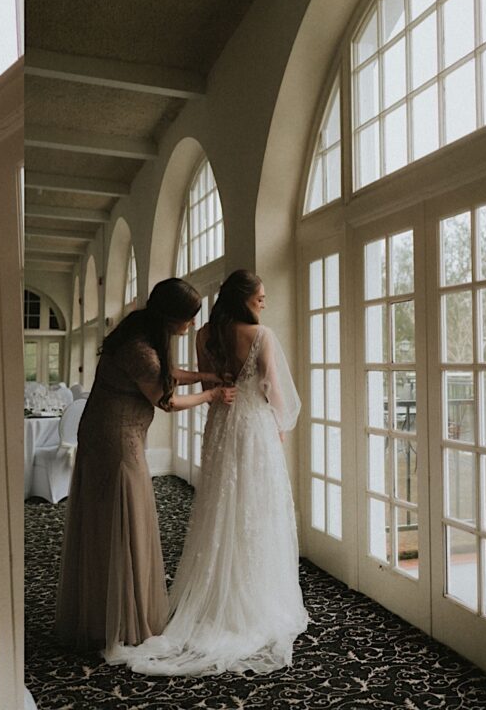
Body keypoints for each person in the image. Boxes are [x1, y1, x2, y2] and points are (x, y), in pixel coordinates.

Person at [106, 269, 308, 675]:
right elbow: (271, 386)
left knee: (219, 505)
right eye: (260, 298)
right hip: (253, 427)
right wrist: (281, 426)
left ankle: (218, 596)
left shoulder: (203, 336)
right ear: (244, 299)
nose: (264, 303)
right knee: (256, 509)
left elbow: (209, 376)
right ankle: (254, 599)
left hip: (220, 424)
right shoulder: (262, 336)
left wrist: (219, 389)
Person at [55, 278, 235, 652]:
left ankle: (105, 611)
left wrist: (204, 375)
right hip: (115, 438)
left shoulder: (141, 334)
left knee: (111, 521)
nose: (189, 326)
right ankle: (123, 617)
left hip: (110, 430)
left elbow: (165, 373)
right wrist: (212, 393)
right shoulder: (140, 348)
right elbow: (165, 399)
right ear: (172, 317)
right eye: (187, 320)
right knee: (125, 518)